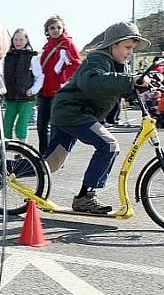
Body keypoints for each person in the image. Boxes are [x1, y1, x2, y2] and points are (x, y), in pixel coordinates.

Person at [44, 21, 152, 214]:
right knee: (109, 145)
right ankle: (86, 197)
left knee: (50, 163)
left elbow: (118, 85)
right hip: (73, 112)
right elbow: (94, 80)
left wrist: (140, 84)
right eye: (127, 47)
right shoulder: (97, 59)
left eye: (132, 49)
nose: (130, 53)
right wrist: (130, 81)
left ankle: (5, 167)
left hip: (74, 113)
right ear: (113, 45)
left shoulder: (121, 66)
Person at [36, 15, 81, 152]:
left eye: (58, 27)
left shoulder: (67, 43)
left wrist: (62, 77)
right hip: (44, 91)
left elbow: (77, 64)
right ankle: (42, 155)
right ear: (47, 30)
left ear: (63, 29)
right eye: (52, 28)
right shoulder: (47, 46)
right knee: (41, 125)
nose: (55, 30)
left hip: (58, 91)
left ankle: (54, 156)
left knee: (56, 125)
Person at [1, 28, 43, 142]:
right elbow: (2, 76)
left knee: (21, 126)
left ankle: (22, 150)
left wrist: (33, 90)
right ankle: (6, 150)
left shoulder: (32, 57)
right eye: (15, 39)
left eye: (21, 39)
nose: (18, 42)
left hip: (26, 98)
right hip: (10, 97)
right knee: (7, 126)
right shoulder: (7, 57)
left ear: (26, 41)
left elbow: (40, 77)